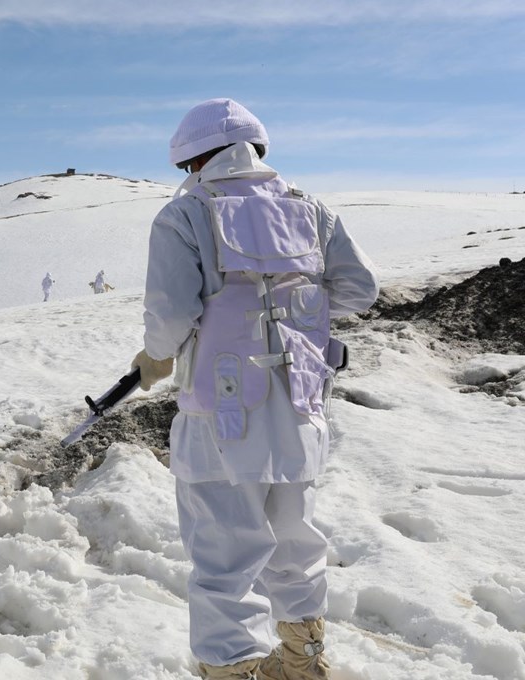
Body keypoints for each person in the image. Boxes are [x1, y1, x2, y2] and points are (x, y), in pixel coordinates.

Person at [132, 99, 378, 680]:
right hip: (299, 404)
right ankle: (302, 661)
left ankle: (232, 669)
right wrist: (300, 319)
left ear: (193, 158)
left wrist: (155, 357)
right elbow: (360, 290)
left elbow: (169, 316)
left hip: (219, 415)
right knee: (295, 538)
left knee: (223, 553)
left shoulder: (186, 214)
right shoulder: (310, 209)